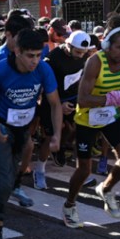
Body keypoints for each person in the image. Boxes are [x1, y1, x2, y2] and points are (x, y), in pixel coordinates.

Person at [0, 28, 62, 239]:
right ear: (17, 52)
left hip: (23, 129)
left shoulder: (43, 69)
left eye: (38, 55)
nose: (35, 61)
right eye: (30, 56)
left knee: (8, 181)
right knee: (4, 183)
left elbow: (54, 103)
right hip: (0, 127)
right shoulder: (0, 70)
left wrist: (57, 135)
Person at [63, 27, 120, 228]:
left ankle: (106, 189)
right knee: (84, 170)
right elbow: (83, 99)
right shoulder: (95, 62)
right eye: (118, 48)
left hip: (109, 116)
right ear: (107, 45)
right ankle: (69, 205)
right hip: (87, 118)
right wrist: (118, 97)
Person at [34, 30, 90, 185]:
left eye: (83, 52)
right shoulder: (52, 59)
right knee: (49, 138)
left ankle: (80, 171)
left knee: (80, 131)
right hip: (52, 101)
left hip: (72, 99)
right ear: (68, 45)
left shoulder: (84, 55)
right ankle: (39, 170)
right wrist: (59, 105)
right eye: (78, 52)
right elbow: (45, 87)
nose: (80, 55)